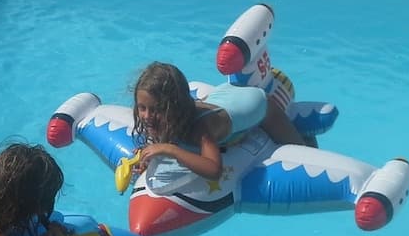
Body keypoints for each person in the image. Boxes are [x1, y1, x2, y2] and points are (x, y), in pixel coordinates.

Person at [130, 61, 314, 180]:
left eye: (156, 110)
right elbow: (166, 138)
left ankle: (307, 135)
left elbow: (214, 170)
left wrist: (170, 150)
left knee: (301, 154)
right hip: (224, 96)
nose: (146, 116)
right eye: (142, 107)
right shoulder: (168, 118)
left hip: (259, 104)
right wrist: (148, 157)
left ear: (175, 107)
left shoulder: (202, 127)